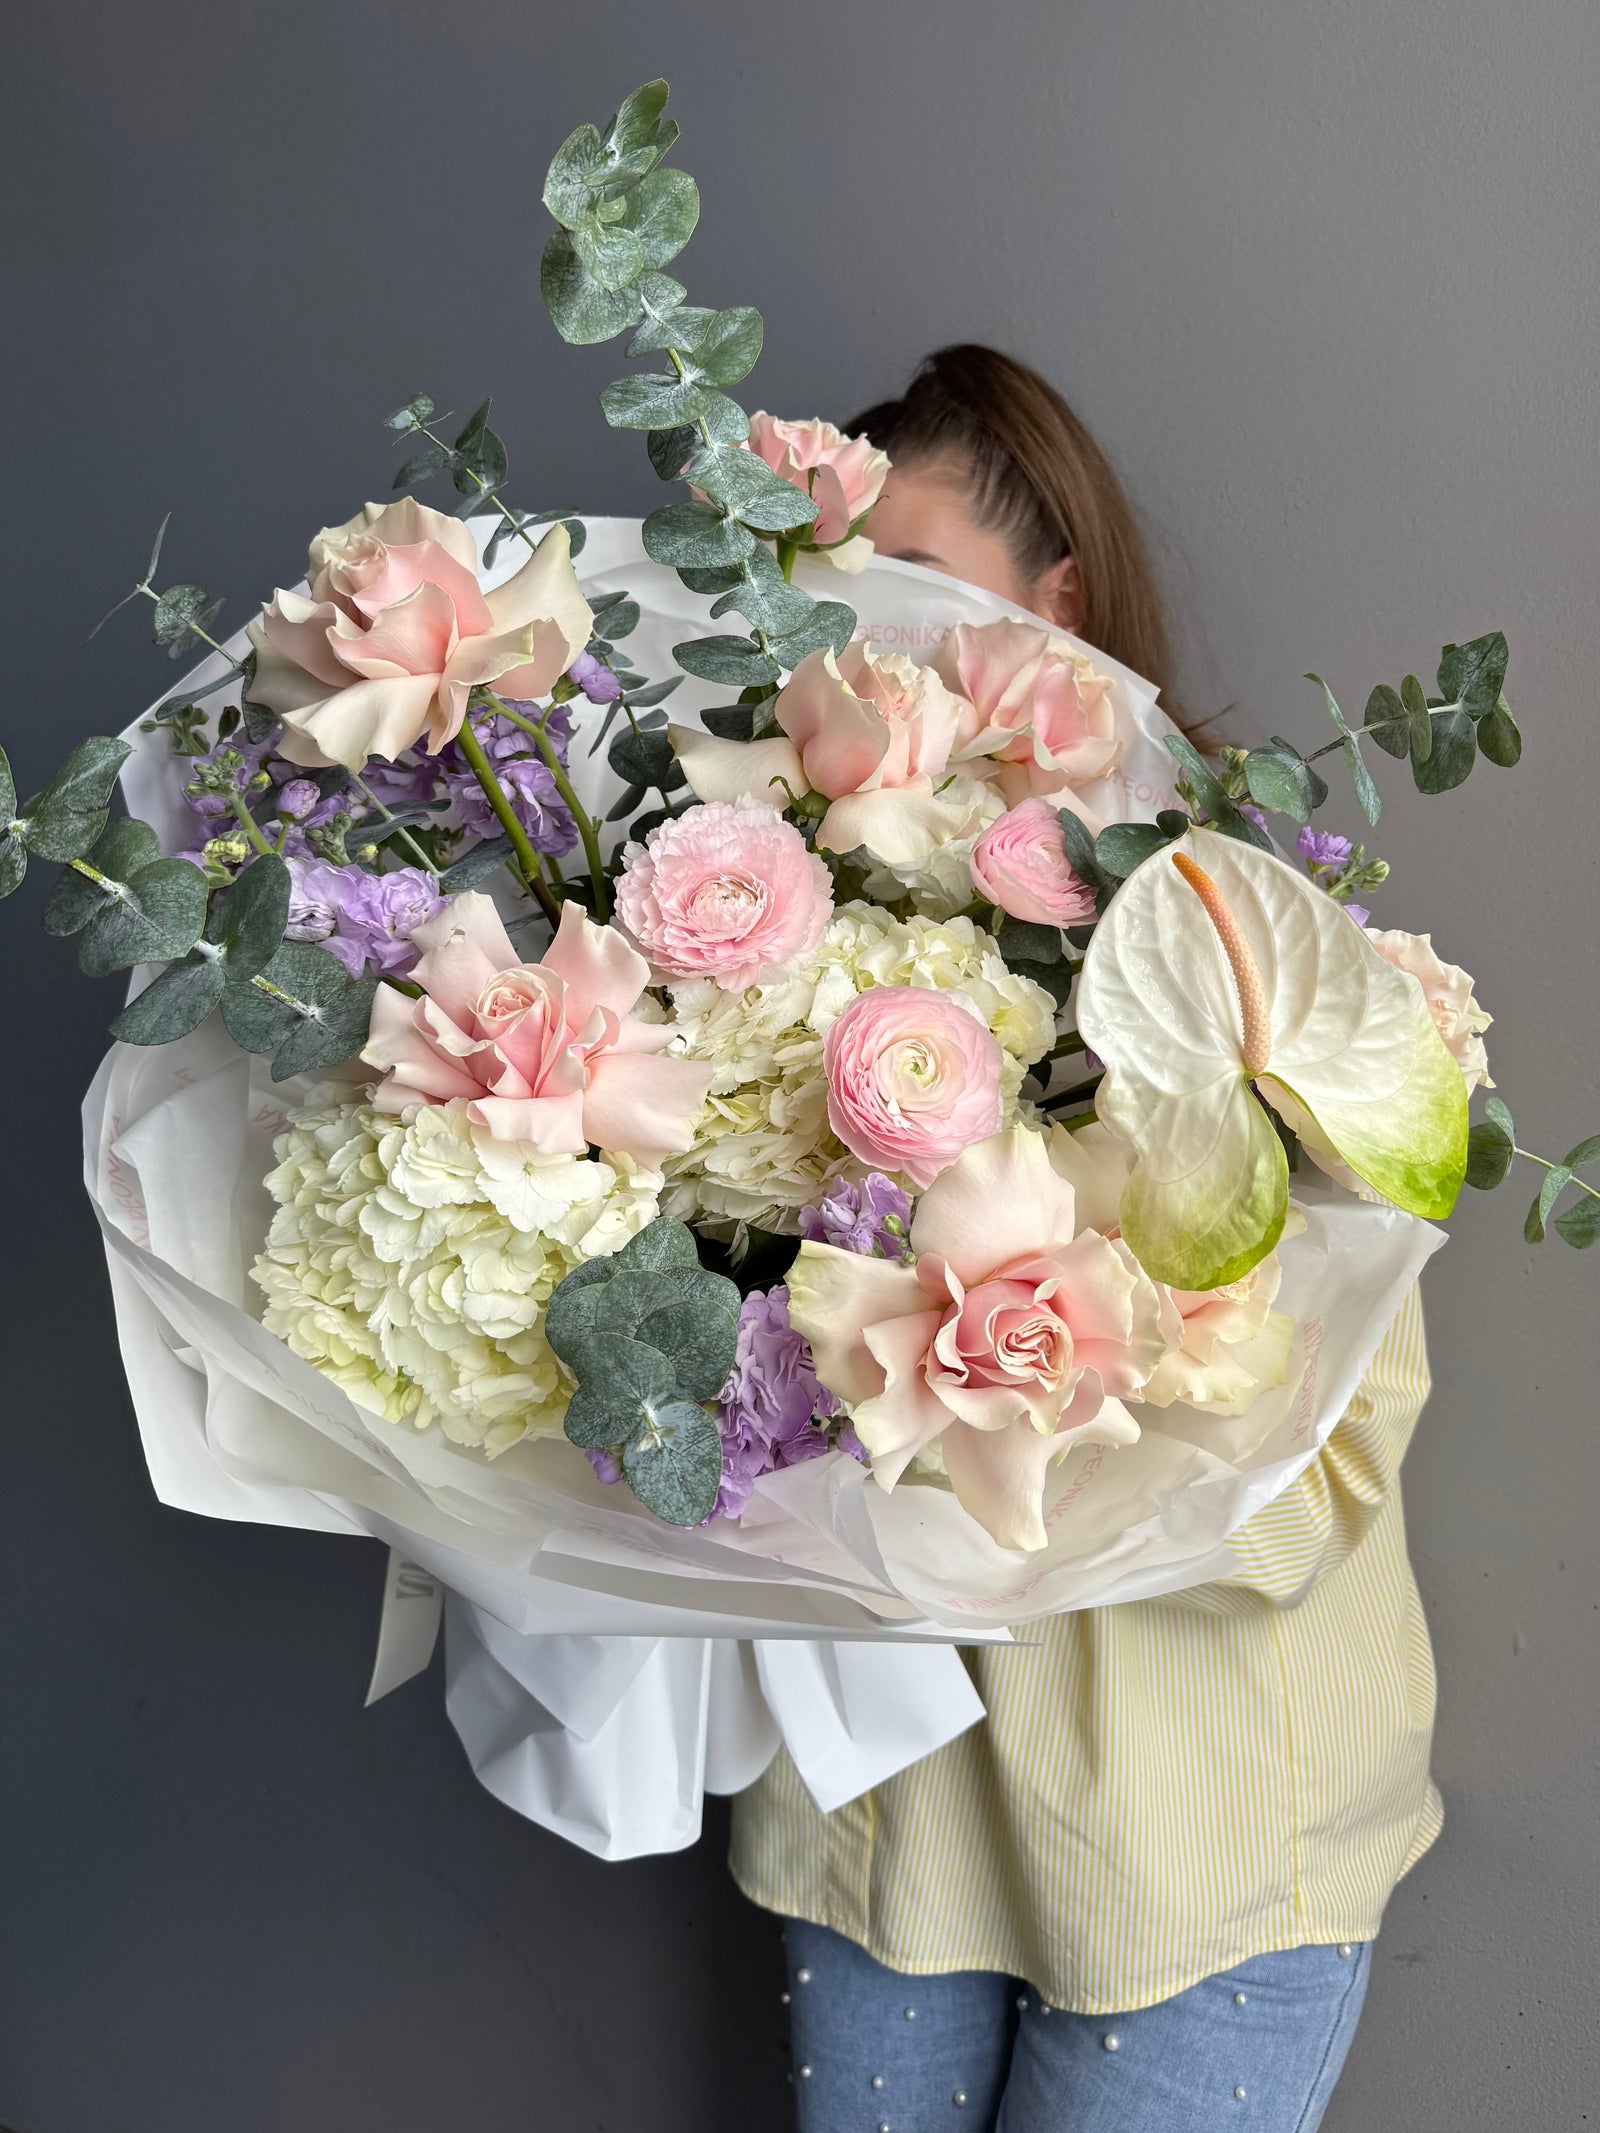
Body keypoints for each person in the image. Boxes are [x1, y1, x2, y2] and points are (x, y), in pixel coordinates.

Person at [729, 345, 1438, 2133]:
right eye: (842, 604)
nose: (880, 663)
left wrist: (1047, 1364)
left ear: (1057, 609)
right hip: (886, 1822)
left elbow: (1339, 1430)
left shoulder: (1242, 930)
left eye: (921, 593)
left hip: (1196, 1826)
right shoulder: (743, 946)